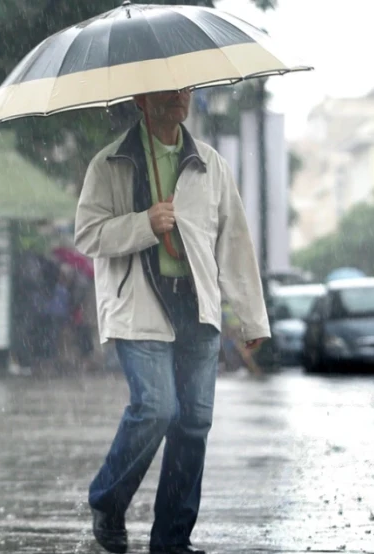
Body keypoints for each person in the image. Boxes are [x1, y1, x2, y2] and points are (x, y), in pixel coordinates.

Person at [74, 89, 270, 554]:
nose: (181, 96)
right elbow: (87, 234)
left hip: (197, 309)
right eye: (169, 89)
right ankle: (107, 500)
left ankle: (171, 541)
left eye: (186, 88)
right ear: (143, 98)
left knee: (194, 424)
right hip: (139, 306)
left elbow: (235, 244)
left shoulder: (209, 165)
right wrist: (144, 223)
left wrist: (250, 320)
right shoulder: (110, 164)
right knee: (158, 408)